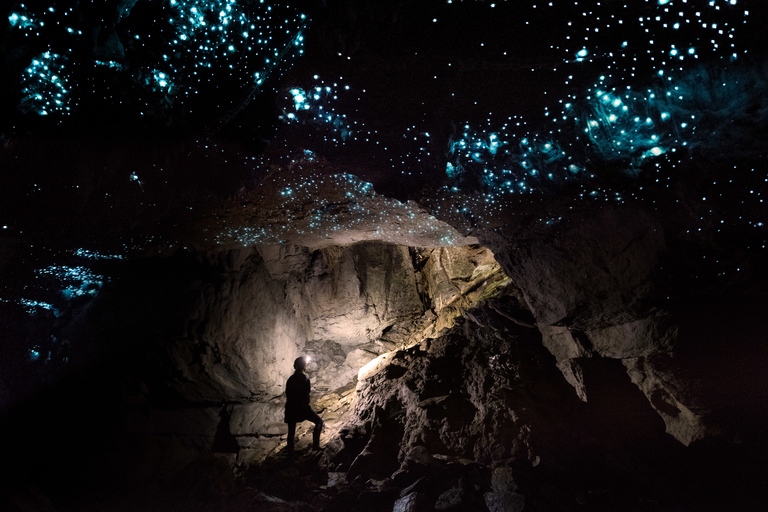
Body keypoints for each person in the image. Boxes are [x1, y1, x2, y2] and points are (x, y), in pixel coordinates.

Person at [284, 356, 323, 453]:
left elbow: (288, 394)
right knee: (319, 422)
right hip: (302, 407)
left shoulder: (290, 379)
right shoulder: (305, 378)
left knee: (291, 432)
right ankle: (316, 446)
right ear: (304, 366)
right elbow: (306, 394)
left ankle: (290, 454)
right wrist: (306, 406)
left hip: (291, 408)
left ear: (295, 366)